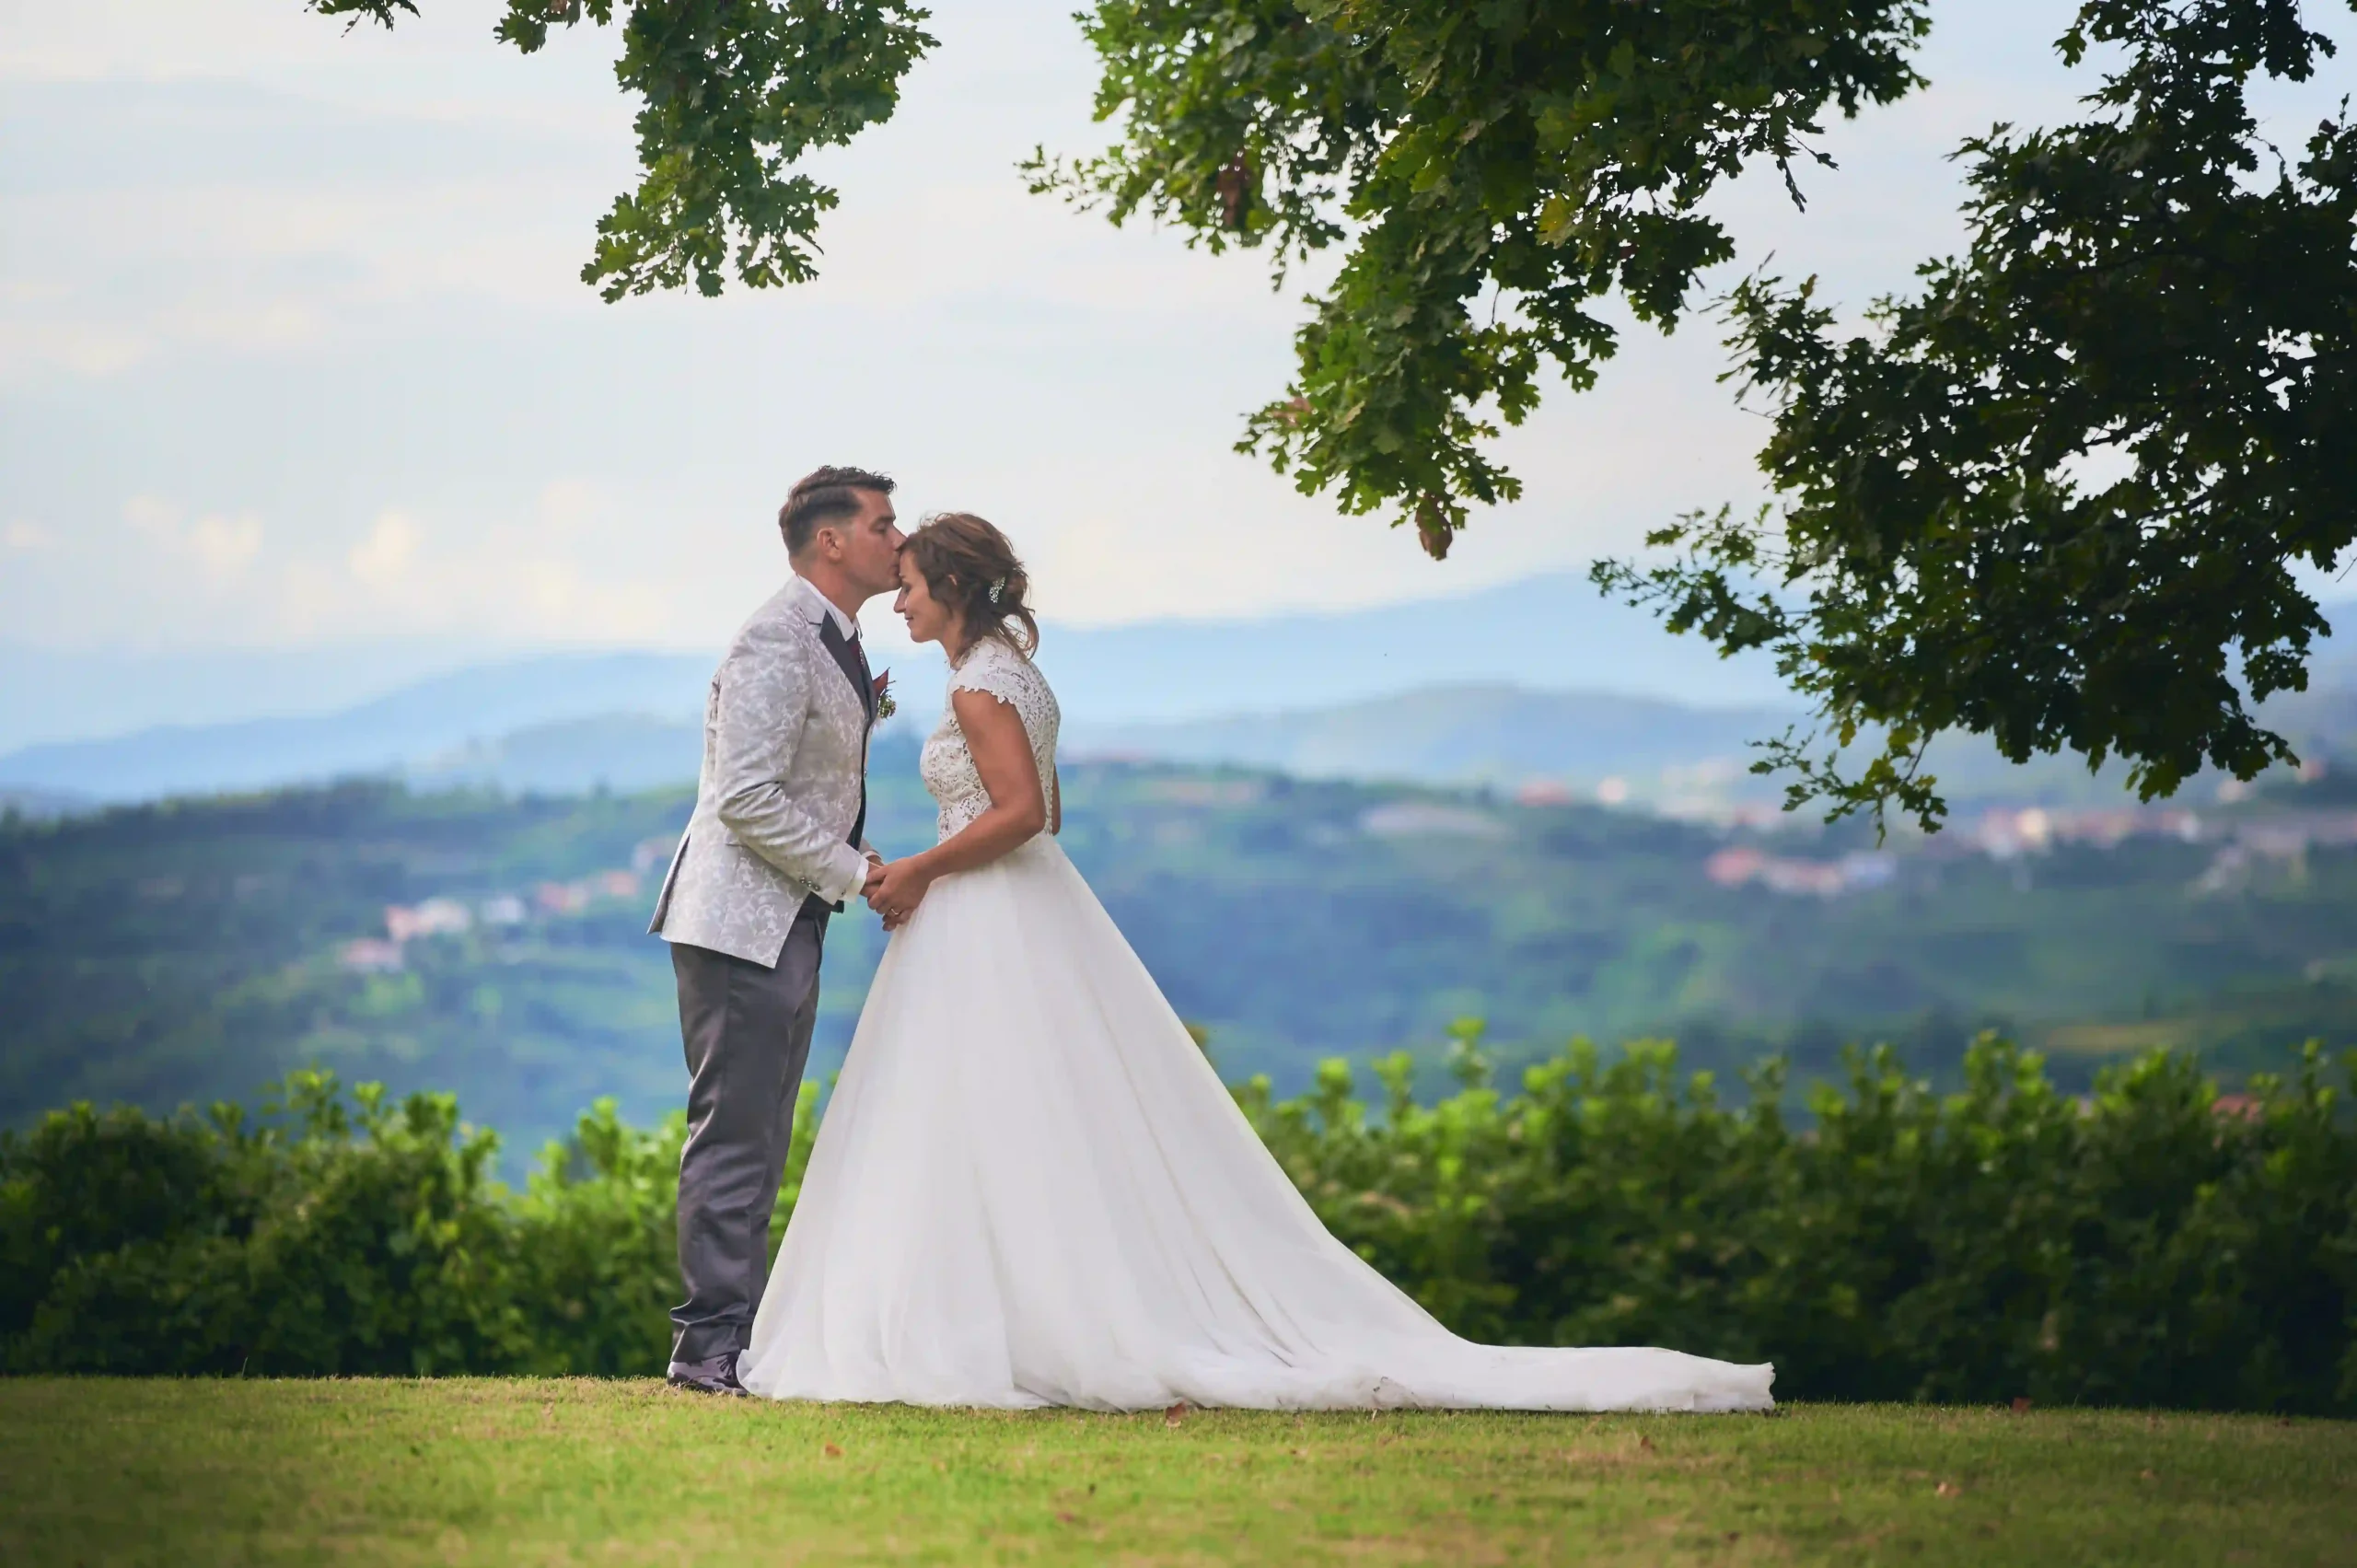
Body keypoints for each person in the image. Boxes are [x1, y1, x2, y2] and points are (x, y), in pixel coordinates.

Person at [736, 512, 1775, 1413]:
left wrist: (918, 865)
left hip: (984, 913)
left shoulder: (974, 690)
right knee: (1021, 1112)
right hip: (1025, 908)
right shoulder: (1018, 675)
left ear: (949, 586)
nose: (901, 605)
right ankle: (1022, 1311)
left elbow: (1014, 814)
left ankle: (998, 1320)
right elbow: (1050, 813)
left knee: (975, 1110)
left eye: (911, 588)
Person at [646, 465, 901, 1396]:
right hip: (738, 921)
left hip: (786, 914)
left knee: (761, 1133)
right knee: (734, 1133)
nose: (897, 538)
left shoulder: (834, 636)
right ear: (829, 540)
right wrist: (852, 870)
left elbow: (807, 786)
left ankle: (737, 1338)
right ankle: (708, 1346)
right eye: (882, 523)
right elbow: (744, 796)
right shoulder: (773, 638)